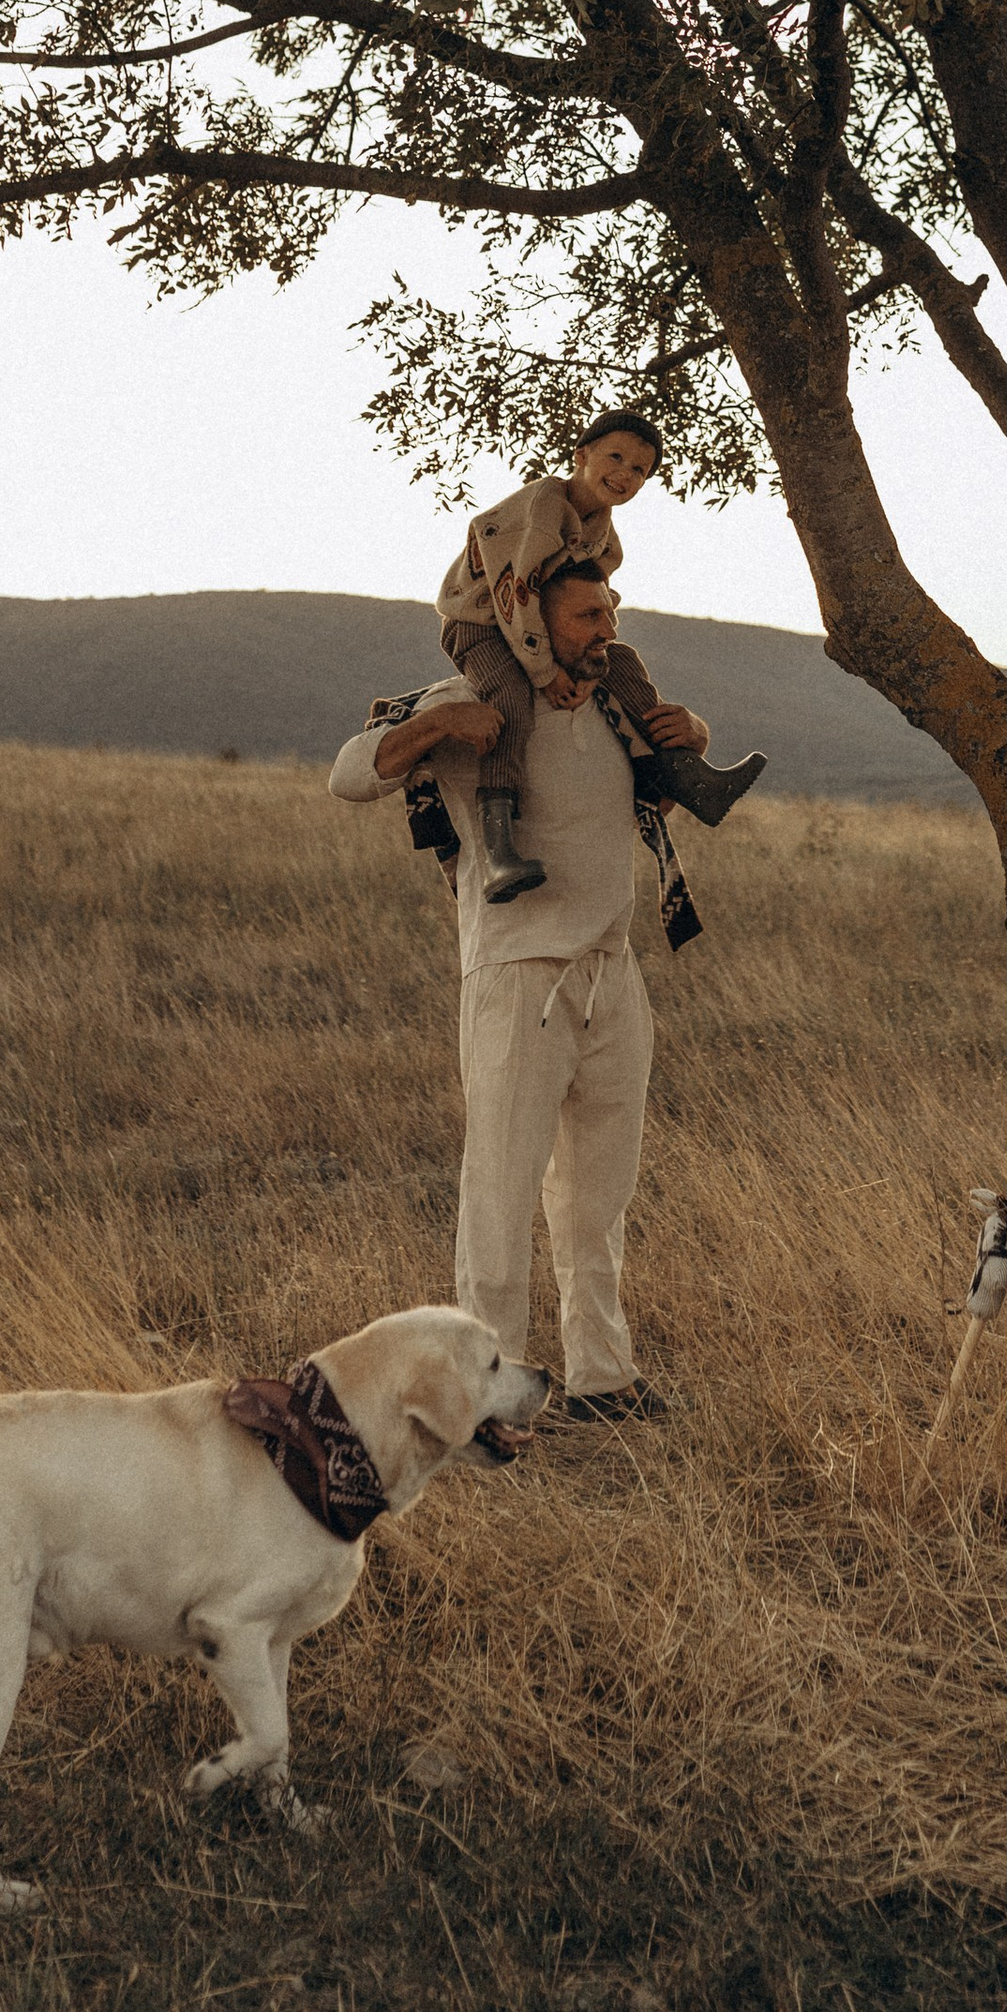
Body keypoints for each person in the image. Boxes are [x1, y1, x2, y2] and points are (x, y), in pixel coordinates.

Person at [333, 556, 695, 1424]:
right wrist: (441, 725)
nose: (607, 631)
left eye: (610, 613)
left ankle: (602, 1378)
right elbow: (350, 774)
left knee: (598, 1195)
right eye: (588, 618)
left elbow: (621, 817)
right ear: (530, 619)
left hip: (614, 971)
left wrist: (685, 739)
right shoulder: (467, 698)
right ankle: (483, 1399)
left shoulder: (613, 707)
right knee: (500, 1188)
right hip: (516, 973)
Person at [436, 406, 763, 902]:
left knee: (625, 661)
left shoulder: (604, 538)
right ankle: (499, 848)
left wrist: (593, 664)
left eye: (640, 470)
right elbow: (515, 593)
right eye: (615, 457)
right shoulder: (542, 514)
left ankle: (683, 774)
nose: (625, 474)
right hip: (482, 625)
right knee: (508, 697)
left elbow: (596, 602)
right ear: (581, 455)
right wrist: (545, 673)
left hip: (538, 628)